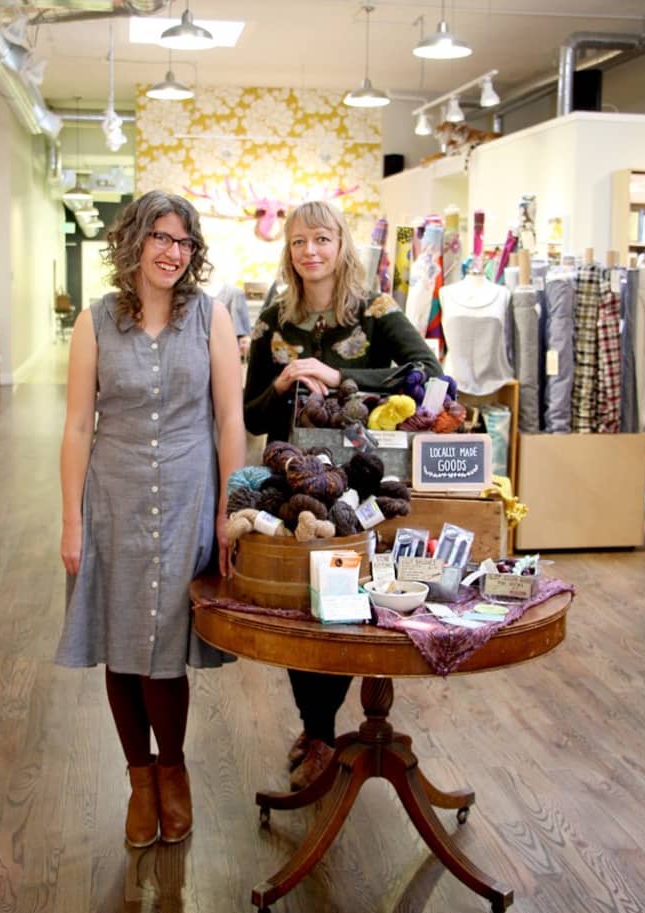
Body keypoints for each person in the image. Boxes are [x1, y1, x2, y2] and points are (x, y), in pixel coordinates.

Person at [55, 190, 246, 848]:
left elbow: (229, 419)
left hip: (190, 497)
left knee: (164, 648)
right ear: (134, 242)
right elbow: (79, 424)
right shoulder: (97, 321)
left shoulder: (210, 317)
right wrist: (71, 521)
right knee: (120, 639)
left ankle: (175, 769)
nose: (172, 252)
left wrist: (232, 508)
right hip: (114, 499)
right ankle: (140, 780)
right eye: (161, 237)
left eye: (183, 242)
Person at [243, 200, 442, 791]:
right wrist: (281, 381)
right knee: (296, 607)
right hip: (291, 485)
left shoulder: (375, 310)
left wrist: (341, 377)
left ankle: (326, 732)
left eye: (322, 239)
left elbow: (426, 372)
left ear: (340, 244)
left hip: (358, 485)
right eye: (300, 241)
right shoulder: (274, 319)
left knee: (345, 606)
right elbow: (252, 413)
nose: (311, 251)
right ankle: (318, 729)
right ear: (289, 249)